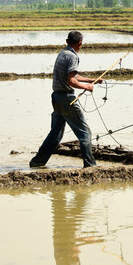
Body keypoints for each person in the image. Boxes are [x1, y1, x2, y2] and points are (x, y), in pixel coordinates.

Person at [30, 31, 102, 168]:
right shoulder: (73, 57)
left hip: (56, 97)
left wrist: (92, 80)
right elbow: (71, 81)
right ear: (80, 43)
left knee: (55, 134)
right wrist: (86, 86)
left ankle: (37, 162)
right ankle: (90, 166)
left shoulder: (62, 53)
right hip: (66, 99)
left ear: (67, 41)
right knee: (85, 132)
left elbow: (74, 77)